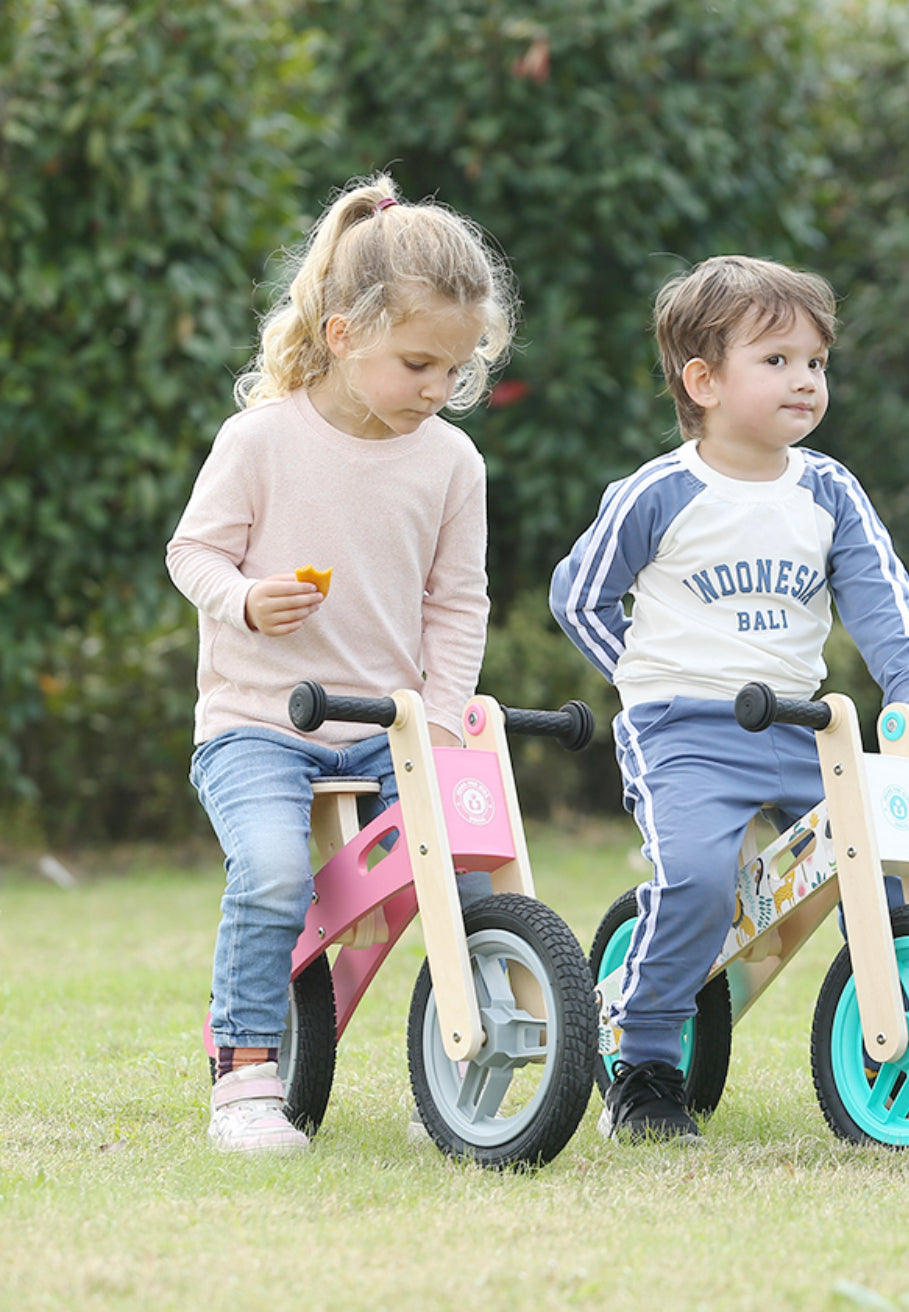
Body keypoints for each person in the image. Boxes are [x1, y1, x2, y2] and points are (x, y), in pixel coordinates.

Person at [550, 255, 909, 1142]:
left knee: (880, 872)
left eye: (816, 362)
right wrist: (642, 681)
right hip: (684, 731)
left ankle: (899, 1047)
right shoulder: (661, 493)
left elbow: (882, 600)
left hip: (805, 728)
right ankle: (645, 1056)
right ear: (703, 381)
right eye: (775, 361)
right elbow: (578, 595)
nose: (805, 380)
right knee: (697, 879)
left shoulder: (828, 490)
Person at [167, 172, 516, 1153]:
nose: (440, 390)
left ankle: (461, 1073)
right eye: (418, 364)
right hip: (255, 720)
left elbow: (456, 604)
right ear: (342, 336)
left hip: (386, 728)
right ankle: (242, 1074)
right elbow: (191, 552)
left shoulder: (452, 463)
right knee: (274, 870)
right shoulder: (261, 440)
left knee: (476, 871)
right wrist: (242, 598)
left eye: (455, 370)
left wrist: (440, 718)